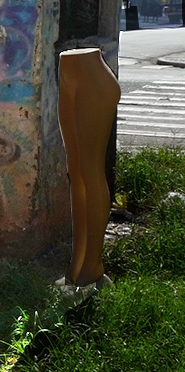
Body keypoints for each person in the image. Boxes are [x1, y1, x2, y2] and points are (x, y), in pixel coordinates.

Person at [57, 47, 121, 288]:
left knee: (90, 171)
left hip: (94, 79)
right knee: (75, 171)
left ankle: (93, 265)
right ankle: (77, 264)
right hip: (68, 73)